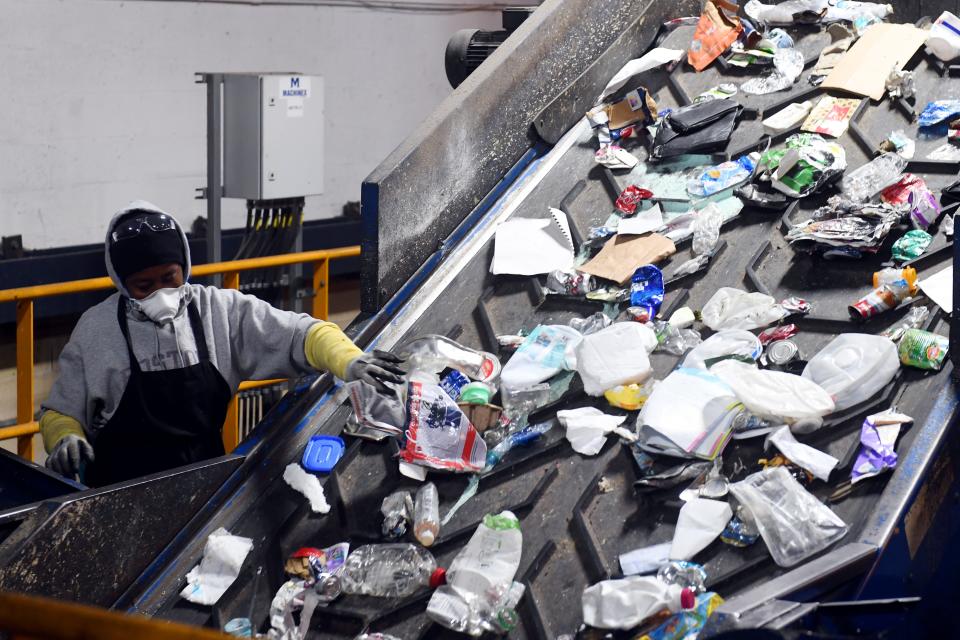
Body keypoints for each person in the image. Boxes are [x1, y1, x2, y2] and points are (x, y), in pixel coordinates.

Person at [40, 201, 403, 486]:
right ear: (121, 282)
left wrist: (349, 361)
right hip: (118, 492)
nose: (161, 292)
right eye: (144, 286)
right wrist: (64, 438)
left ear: (183, 265)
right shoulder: (98, 329)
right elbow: (60, 411)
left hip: (205, 488)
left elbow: (304, 334)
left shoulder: (219, 311)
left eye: (169, 277)